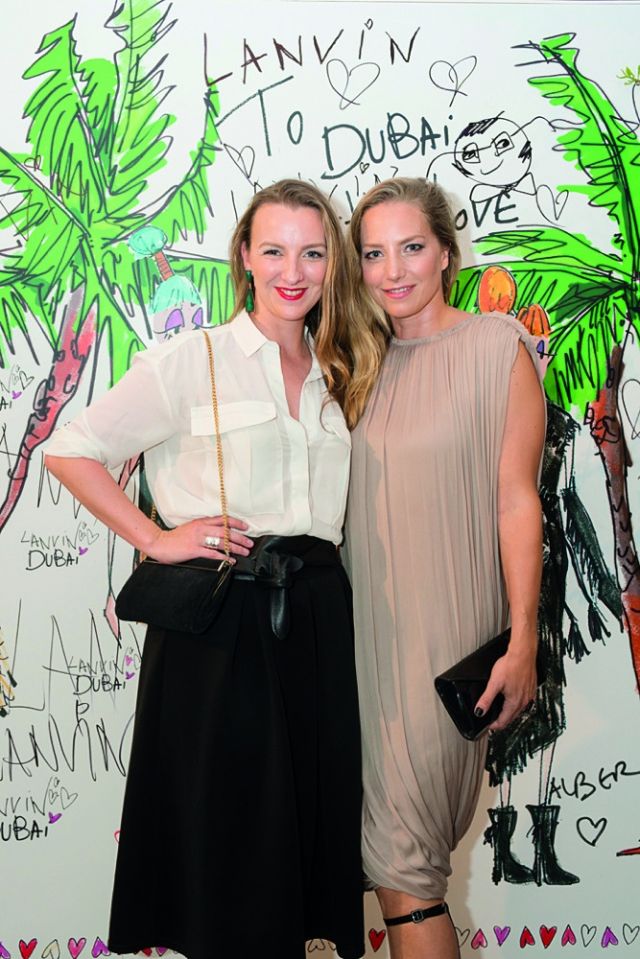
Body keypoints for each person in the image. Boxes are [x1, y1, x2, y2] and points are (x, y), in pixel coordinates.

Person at [44, 180, 364, 959]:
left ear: (332, 263)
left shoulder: (344, 368)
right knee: (228, 861)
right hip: (222, 627)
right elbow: (71, 450)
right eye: (274, 250)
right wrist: (155, 538)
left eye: (312, 253)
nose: (293, 270)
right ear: (245, 257)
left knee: (303, 859)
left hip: (317, 622)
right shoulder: (193, 359)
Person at [341, 177, 546, 959]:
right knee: (398, 875)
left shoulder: (496, 348)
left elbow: (517, 501)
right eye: (373, 254)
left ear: (447, 254)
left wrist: (521, 642)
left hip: (442, 644)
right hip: (356, 647)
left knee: (408, 871)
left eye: (412, 247)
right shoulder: (353, 362)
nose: (393, 271)